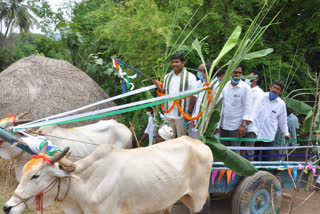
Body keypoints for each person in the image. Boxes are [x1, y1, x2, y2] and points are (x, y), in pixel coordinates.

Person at [154, 53, 197, 138]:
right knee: (167, 138)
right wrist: (158, 88)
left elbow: (194, 96)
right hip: (168, 114)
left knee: (181, 139)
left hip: (181, 115)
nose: (174, 64)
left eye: (177, 62)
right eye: (173, 62)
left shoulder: (190, 77)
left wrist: (189, 112)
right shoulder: (167, 76)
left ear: (183, 63)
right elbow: (164, 92)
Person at [219, 65, 253, 154]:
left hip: (237, 126)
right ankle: (223, 168)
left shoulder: (246, 88)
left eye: (239, 73)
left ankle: (234, 169)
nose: (237, 75)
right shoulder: (225, 85)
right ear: (230, 73)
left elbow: (248, 108)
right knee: (223, 150)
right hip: (223, 124)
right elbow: (221, 105)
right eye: (235, 72)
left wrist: (243, 125)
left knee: (234, 152)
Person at [255, 80, 291, 161]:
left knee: (266, 158)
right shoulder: (261, 97)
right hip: (256, 132)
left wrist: (286, 133)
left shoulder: (281, 104)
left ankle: (264, 173)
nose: (275, 90)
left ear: (280, 92)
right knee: (254, 156)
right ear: (270, 87)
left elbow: (283, 121)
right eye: (274, 87)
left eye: (278, 89)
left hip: (269, 135)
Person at [189, 63, 225, 139]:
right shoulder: (205, 84)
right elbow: (198, 104)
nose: (201, 74)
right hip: (198, 121)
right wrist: (193, 118)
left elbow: (219, 108)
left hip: (207, 124)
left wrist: (216, 126)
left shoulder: (216, 87)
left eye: (203, 71)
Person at [244, 71, 264, 160]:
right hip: (241, 124)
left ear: (256, 79)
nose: (247, 79)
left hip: (251, 126)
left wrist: (245, 125)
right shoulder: (246, 89)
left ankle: (249, 173)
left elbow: (255, 111)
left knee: (249, 151)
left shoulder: (259, 93)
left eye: (250, 77)